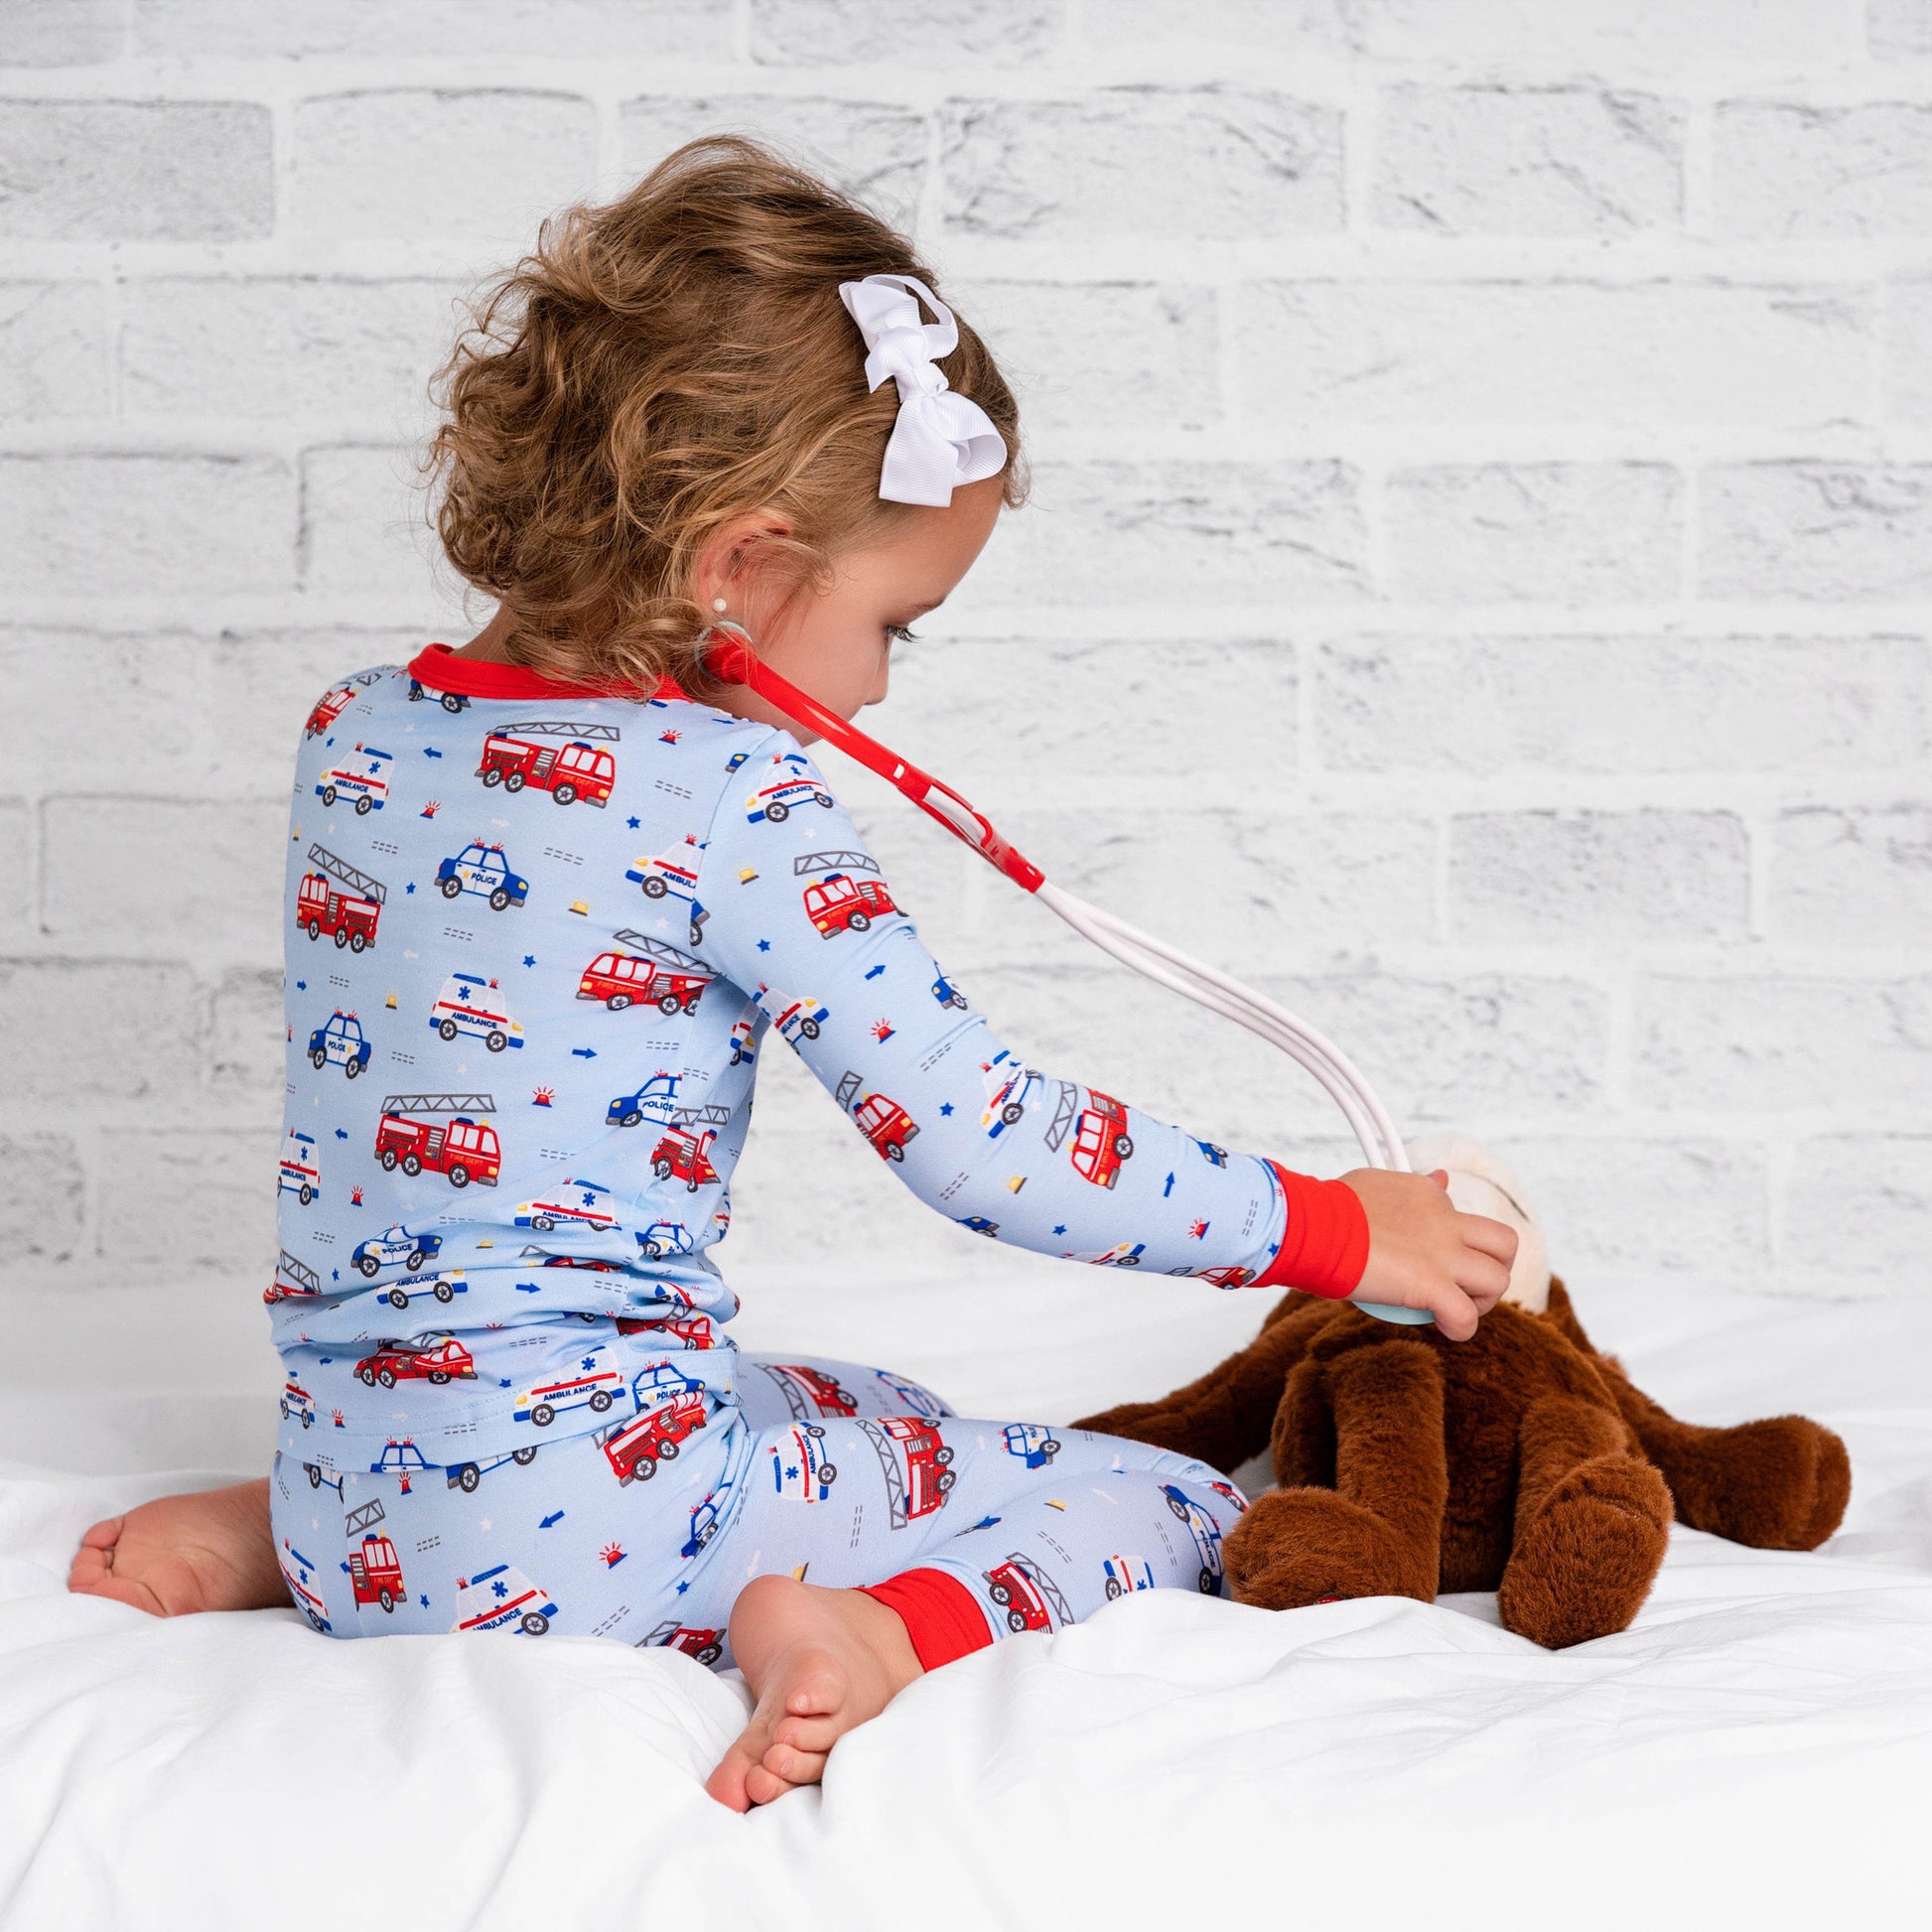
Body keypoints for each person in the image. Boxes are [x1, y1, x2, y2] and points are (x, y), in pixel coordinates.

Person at [68, 137, 1517, 1811]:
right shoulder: (731, 797)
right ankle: (874, 1632)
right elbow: (987, 1142)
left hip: (361, 1496)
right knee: (1168, 1499)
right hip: (597, 1542)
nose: (885, 687)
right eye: (897, 622)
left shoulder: (356, 734)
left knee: (870, 1404)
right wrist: (1338, 1227)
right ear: (738, 570)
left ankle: (302, 1531)